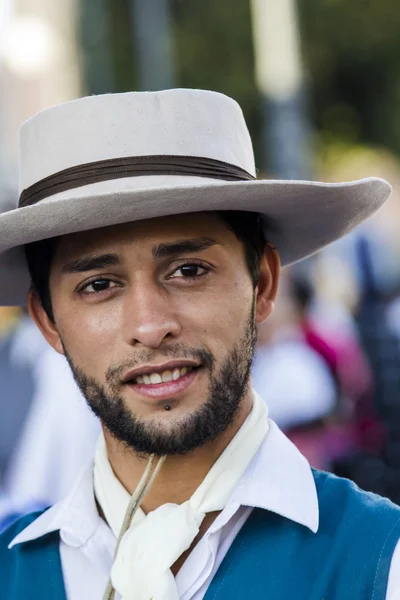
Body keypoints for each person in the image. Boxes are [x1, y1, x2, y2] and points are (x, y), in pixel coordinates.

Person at [0, 89, 398, 600]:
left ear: (264, 282)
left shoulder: (380, 565)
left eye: (189, 271)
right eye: (99, 285)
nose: (150, 324)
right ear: (47, 320)